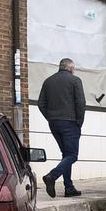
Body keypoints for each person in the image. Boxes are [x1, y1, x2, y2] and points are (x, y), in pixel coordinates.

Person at [37, 58, 86, 198]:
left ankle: (69, 187)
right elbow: (81, 102)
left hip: (54, 123)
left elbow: (41, 104)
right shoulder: (75, 80)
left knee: (66, 154)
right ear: (70, 68)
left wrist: (50, 117)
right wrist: (79, 121)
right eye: (73, 68)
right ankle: (52, 176)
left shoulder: (48, 81)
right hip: (70, 123)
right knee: (72, 155)